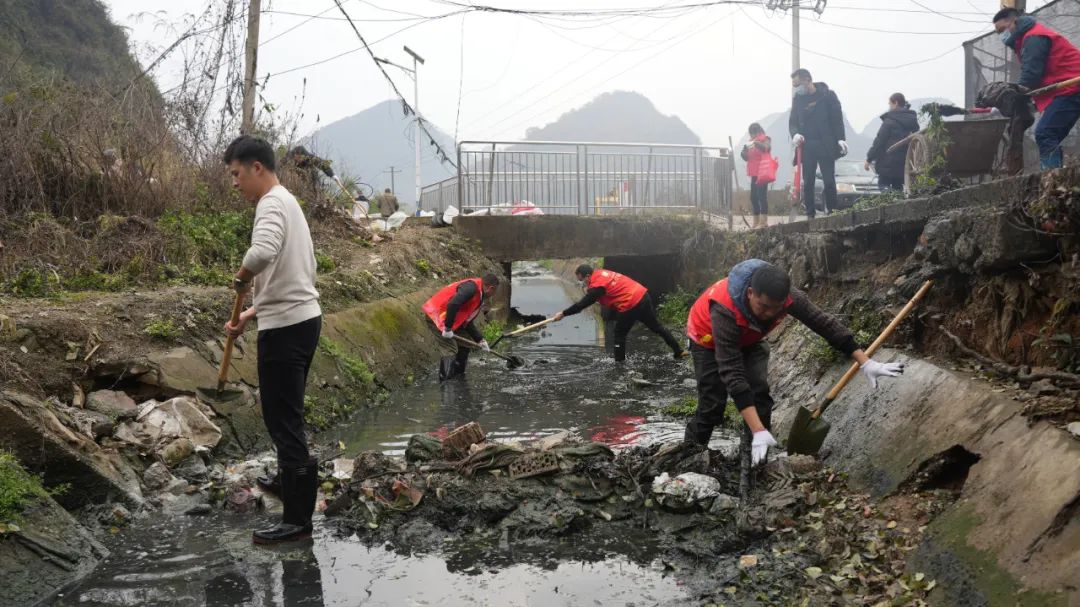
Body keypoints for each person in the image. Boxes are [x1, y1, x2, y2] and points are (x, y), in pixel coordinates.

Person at [683, 259, 905, 464]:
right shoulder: (724, 309)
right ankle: (690, 457)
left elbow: (822, 323)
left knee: (759, 394)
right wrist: (757, 429)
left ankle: (754, 463)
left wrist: (865, 362)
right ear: (750, 293)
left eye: (776, 308)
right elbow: (731, 372)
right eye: (764, 307)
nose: (770, 314)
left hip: (750, 338)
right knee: (712, 404)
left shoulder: (788, 297)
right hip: (707, 340)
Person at [223, 135, 323, 544]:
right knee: (287, 414)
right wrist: (251, 312)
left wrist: (241, 278)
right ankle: (287, 480)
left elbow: (262, 252)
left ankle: (297, 521)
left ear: (257, 167)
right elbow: (293, 273)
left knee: (283, 421)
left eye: (236, 174)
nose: (234, 183)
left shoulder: (270, 203)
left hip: (286, 329)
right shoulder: (288, 202)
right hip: (302, 318)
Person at [994, 8, 1080, 169]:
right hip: (1067, 88)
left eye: (1002, 30)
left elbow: (1031, 76)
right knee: (1050, 135)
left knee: (1045, 133)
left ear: (1014, 22)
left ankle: (1053, 178)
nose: (1002, 36)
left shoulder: (1033, 37)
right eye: (998, 33)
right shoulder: (1026, 39)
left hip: (1072, 87)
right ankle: (1057, 176)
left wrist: (1011, 96)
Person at [552, 265, 688, 362]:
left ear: (588, 276)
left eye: (582, 280)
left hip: (630, 302)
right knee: (656, 327)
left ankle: (619, 364)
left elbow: (581, 305)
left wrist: (563, 314)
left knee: (619, 334)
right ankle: (679, 351)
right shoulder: (602, 273)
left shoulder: (597, 285)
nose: (583, 283)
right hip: (642, 295)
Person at [789, 68, 847, 218]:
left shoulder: (827, 95)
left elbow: (837, 119)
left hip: (826, 144)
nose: (797, 88)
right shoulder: (798, 99)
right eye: (795, 86)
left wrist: (841, 138)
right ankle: (810, 214)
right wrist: (795, 134)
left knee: (829, 180)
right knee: (808, 181)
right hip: (807, 145)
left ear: (808, 80)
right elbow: (793, 121)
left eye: (798, 84)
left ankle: (833, 212)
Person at [423, 273, 500, 379]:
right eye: (494, 292)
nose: (493, 295)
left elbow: (467, 321)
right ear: (490, 288)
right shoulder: (471, 288)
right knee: (450, 349)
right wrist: (447, 328)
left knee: (465, 343)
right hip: (437, 316)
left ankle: (458, 376)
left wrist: (480, 340)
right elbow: (453, 304)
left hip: (449, 318)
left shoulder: (479, 295)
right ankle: (445, 383)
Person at [866, 93, 919, 191]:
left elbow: (879, 141)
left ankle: (889, 196)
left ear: (896, 103)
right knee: (898, 190)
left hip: (887, 164)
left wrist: (869, 159)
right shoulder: (912, 121)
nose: (889, 106)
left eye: (890, 103)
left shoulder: (889, 121)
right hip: (903, 164)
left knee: (883, 187)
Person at [741, 123, 772, 228]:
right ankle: (756, 221)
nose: (753, 135)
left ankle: (763, 222)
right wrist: (744, 152)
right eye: (751, 133)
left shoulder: (765, 139)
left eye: (754, 133)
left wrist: (758, 144)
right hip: (754, 173)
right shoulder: (750, 143)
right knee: (753, 197)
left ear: (758, 131)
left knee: (761, 196)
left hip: (763, 172)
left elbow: (767, 148)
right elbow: (746, 157)